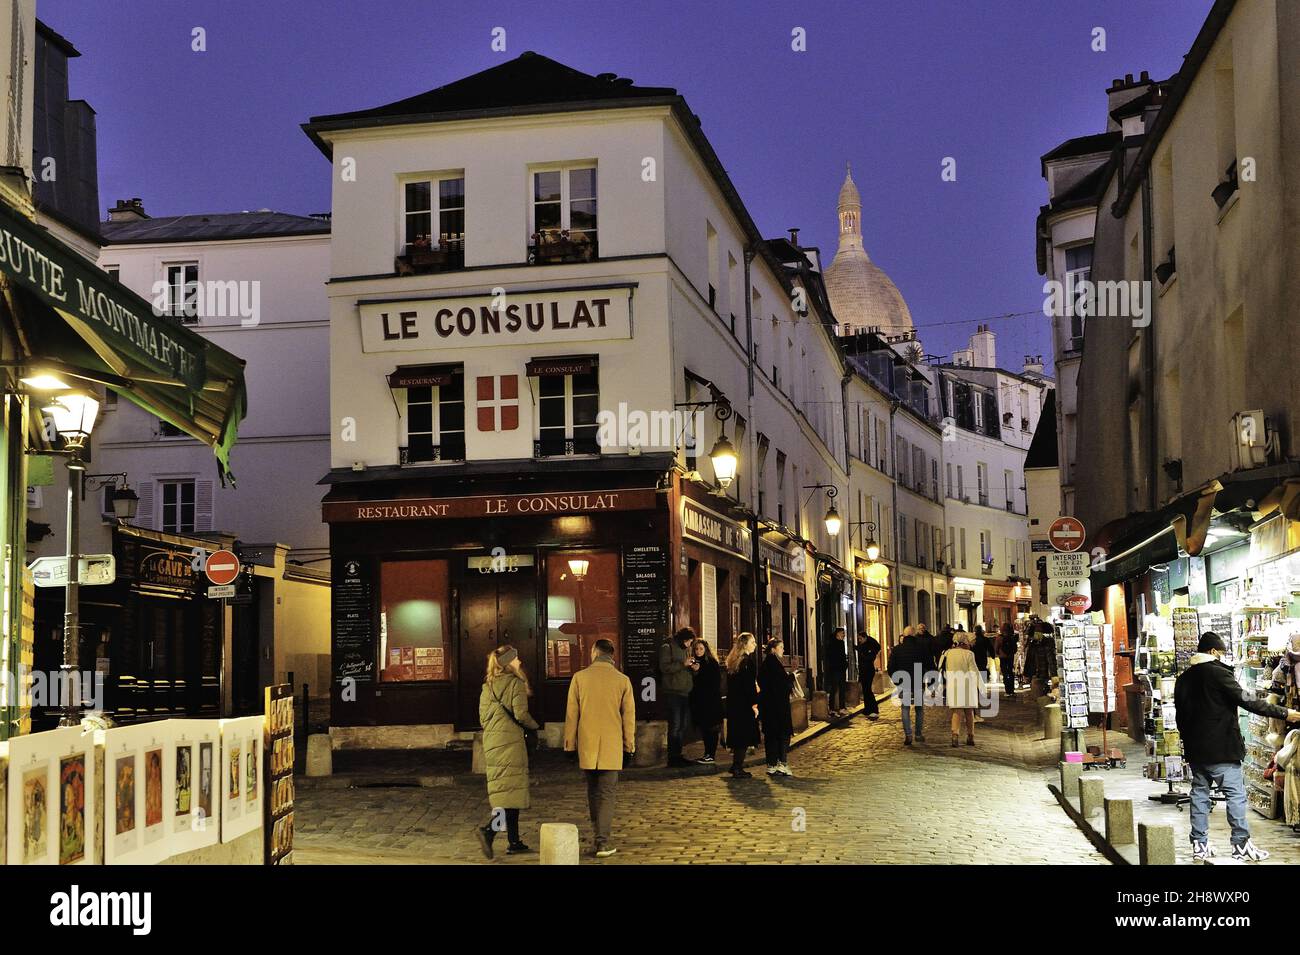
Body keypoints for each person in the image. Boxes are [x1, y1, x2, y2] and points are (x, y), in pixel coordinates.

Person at [1175, 632, 1300, 863]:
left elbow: (1180, 717)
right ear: (1213, 652)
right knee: (1235, 796)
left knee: (1200, 795)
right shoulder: (1219, 674)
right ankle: (1241, 844)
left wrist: (1190, 740)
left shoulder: (1184, 678)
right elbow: (1248, 700)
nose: (1223, 657)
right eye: (1221, 653)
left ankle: (1199, 845)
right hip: (1222, 749)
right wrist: (1285, 713)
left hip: (1196, 751)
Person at [563, 638, 636, 858]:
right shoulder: (623, 680)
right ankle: (602, 842)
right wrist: (629, 746)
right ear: (612, 655)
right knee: (607, 794)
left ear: (594, 653)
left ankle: (598, 835)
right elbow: (628, 718)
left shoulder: (579, 678)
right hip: (612, 746)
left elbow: (571, 715)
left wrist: (569, 745)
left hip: (587, 745)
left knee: (593, 792)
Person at [475, 645, 540, 859]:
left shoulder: (488, 687)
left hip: (493, 742)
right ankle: (489, 830)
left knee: (508, 791)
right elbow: (521, 714)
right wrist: (535, 726)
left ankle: (514, 841)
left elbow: (483, 719)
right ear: (510, 662)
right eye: (517, 658)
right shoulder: (516, 683)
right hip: (510, 742)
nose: (519, 661)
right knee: (511, 793)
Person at [888, 626, 935, 746]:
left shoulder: (898, 649)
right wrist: (930, 682)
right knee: (919, 708)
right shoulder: (921, 648)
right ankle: (918, 734)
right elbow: (930, 665)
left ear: (904, 636)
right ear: (914, 635)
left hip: (904, 682)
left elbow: (891, 667)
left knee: (905, 708)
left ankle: (908, 734)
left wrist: (897, 681)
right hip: (918, 681)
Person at [724, 633, 760, 778]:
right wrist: (754, 704)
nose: (755, 644)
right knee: (743, 736)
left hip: (734, 704)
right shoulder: (747, 662)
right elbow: (748, 686)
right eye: (752, 642)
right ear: (745, 644)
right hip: (744, 705)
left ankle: (736, 765)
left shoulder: (734, 661)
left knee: (738, 735)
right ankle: (737, 767)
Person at [759, 637, 795, 776]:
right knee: (783, 734)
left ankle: (771, 764)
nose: (783, 650)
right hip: (778, 706)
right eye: (781, 647)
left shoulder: (766, 663)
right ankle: (782, 763)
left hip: (769, 706)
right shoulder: (773, 664)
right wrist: (791, 677)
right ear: (774, 649)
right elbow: (781, 684)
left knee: (771, 735)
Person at [659, 627, 695, 767]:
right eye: (688, 641)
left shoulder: (686, 649)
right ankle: (673, 757)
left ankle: (678, 754)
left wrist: (693, 668)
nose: (689, 645)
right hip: (673, 692)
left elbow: (685, 670)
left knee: (682, 726)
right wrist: (682, 664)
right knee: (675, 725)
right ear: (683, 639)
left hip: (685, 691)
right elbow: (665, 667)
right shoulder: (667, 647)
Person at [939, 632, 982, 746]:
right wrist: (981, 686)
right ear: (965, 642)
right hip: (968, 685)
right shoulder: (969, 654)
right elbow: (974, 671)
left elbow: (941, 668)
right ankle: (970, 736)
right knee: (969, 712)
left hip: (953, 685)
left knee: (956, 712)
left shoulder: (947, 653)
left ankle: (955, 736)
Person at [688, 638, 723, 764]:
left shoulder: (711, 662)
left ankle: (710, 754)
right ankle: (707, 753)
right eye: (696, 649)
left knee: (711, 728)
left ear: (706, 649)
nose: (698, 651)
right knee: (704, 728)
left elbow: (713, 682)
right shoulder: (693, 662)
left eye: (701, 649)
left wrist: (699, 672)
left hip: (710, 701)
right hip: (699, 702)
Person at [855, 630, 882, 721]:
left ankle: (874, 709)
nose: (859, 640)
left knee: (868, 690)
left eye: (860, 639)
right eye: (858, 639)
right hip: (863, 670)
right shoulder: (863, 645)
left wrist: (863, 655)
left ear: (865, 638)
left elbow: (869, 657)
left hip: (868, 670)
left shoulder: (871, 645)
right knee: (865, 690)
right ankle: (867, 709)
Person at [824, 627, 848, 716]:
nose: (844, 635)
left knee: (842, 688)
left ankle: (842, 707)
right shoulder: (831, 643)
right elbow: (830, 657)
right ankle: (831, 709)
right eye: (842, 633)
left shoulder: (841, 643)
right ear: (837, 633)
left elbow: (842, 656)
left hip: (841, 669)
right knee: (834, 688)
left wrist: (845, 664)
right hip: (834, 669)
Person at [996, 621, 1017, 696]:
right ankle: (1012, 689)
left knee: (1005, 673)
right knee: (1010, 672)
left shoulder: (999, 638)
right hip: (1010, 657)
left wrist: (998, 653)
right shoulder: (1012, 637)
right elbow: (1015, 648)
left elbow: (996, 648)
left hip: (1002, 657)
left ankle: (1007, 691)